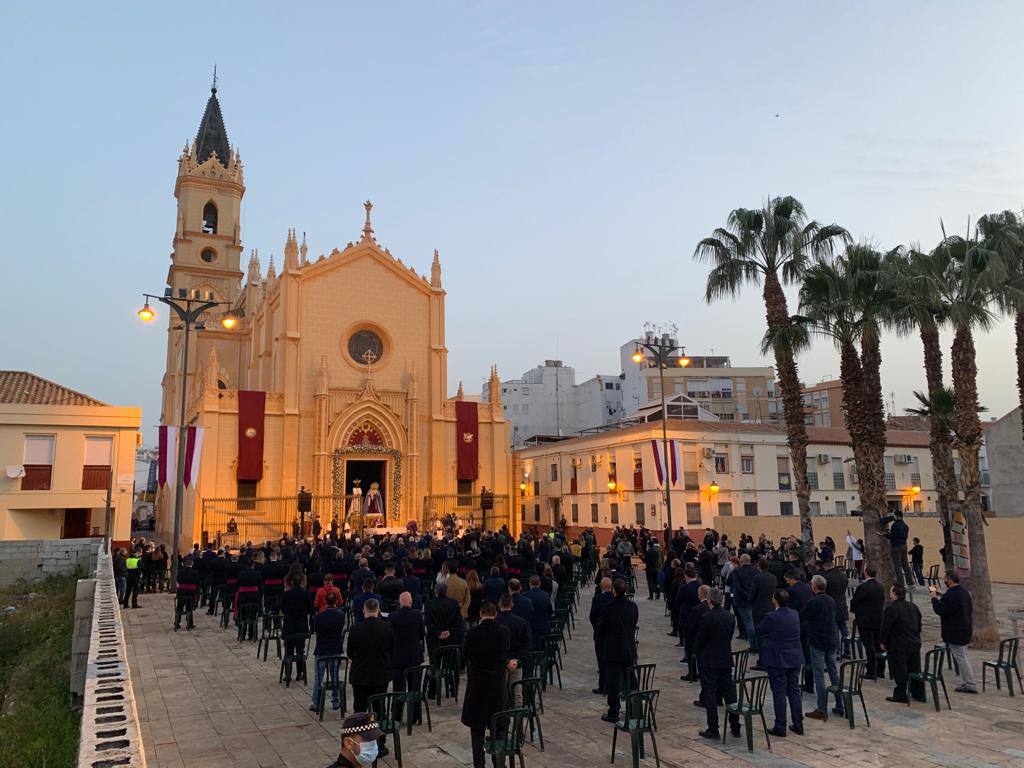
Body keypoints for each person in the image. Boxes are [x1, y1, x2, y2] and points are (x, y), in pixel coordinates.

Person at [461, 601, 512, 768]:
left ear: (481, 614)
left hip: (478, 687)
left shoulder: (472, 633)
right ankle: (499, 762)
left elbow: (465, 654)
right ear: (495, 614)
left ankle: (479, 764)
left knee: (477, 731)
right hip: (497, 687)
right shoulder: (504, 632)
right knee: (499, 728)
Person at [347, 598, 395, 759]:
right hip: (380, 675)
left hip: (360, 675)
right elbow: (391, 649)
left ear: (363, 610)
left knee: (359, 711)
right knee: (379, 710)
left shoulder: (355, 629)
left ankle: (357, 745)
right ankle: (380, 745)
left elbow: (350, 653)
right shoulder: (387, 627)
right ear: (378, 610)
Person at [693, 587, 740, 740]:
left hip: (710, 659)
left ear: (709, 600)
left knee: (711, 694)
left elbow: (700, 640)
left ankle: (713, 728)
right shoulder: (730, 617)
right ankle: (735, 726)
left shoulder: (707, 617)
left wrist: (699, 651)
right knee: (729, 693)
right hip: (725, 658)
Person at [756, 589, 804, 736]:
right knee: (794, 691)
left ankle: (780, 725)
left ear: (775, 601)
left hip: (778, 659)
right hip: (794, 658)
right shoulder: (794, 614)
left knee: (779, 693)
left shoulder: (772, 617)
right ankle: (798, 723)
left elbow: (759, 630)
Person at [801, 574, 844, 721]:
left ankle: (821, 708)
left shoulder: (814, 602)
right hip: (831, 641)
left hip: (818, 642)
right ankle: (840, 705)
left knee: (819, 676)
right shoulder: (830, 600)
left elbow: (802, 616)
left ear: (813, 587)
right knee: (833, 674)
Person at [597, 579, 638, 724]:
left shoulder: (608, 607)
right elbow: (634, 623)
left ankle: (613, 711)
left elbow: (601, 628)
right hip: (628, 648)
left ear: (614, 591)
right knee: (631, 680)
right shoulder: (633, 607)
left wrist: (601, 642)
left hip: (613, 649)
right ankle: (634, 709)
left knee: (613, 682)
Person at [930, 569, 976, 693]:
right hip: (966, 629)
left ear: (949, 579)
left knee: (961, 658)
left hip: (955, 632)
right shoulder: (964, 593)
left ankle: (970, 684)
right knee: (963, 655)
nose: (944, 580)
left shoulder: (951, 595)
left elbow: (941, 610)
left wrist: (934, 599)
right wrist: (941, 596)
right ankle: (969, 682)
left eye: (945, 578)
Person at [881, 582, 923, 703]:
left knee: (900, 669)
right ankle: (917, 692)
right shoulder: (913, 607)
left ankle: (900, 693)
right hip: (914, 642)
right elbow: (919, 623)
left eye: (891, 591)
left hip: (899, 644)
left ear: (894, 593)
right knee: (914, 668)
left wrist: (883, 641)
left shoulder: (892, 608)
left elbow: (886, 627)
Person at [389, 591, 425, 724]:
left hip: (397, 657)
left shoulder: (392, 616)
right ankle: (415, 716)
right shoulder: (417, 615)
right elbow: (422, 634)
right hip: (414, 656)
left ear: (400, 602)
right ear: (410, 602)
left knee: (398, 689)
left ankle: (397, 716)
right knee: (414, 689)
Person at [310, 591, 346, 713]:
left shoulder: (319, 617)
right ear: (336, 602)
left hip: (322, 649)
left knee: (318, 677)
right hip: (335, 648)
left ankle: (316, 702)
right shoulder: (341, 616)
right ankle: (336, 701)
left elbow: (316, 630)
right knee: (335, 676)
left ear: (325, 602)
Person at [850, 564, 885, 679]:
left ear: (866, 573)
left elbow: (855, 602)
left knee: (869, 646)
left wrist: (854, 609)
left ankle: (871, 670)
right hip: (877, 619)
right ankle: (880, 669)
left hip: (865, 620)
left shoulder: (863, 587)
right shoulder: (880, 586)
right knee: (877, 644)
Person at [497, 594, 531, 705]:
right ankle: (518, 716)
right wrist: (517, 660)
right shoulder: (521, 622)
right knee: (517, 692)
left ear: (499, 604)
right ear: (512, 605)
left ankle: (502, 714)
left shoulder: (496, 622)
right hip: (516, 660)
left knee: (501, 692)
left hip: (501, 661)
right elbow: (526, 643)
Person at [281, 566, 309, 684]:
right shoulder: (306, 594)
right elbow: (309, 608)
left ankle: (288, 674)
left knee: (289, 650)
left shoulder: (287, 594)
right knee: (300, 650)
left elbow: (282, 608)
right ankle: (300, 673)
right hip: (301, 624)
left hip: (289, 624)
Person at [820, 552, 850, 657]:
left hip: (832, 606)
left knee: (834, 631)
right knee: (845, 631)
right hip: (842, 604)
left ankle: (836, 652)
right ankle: (847, 651)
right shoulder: (843, 576)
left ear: (825, 567)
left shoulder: (827, 578)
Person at [749, 558, 777, 661]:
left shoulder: (757, 577)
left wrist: (750, 603)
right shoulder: (773, 577)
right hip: (770, 607)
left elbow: (753, 594)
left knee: (760, 635)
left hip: (758, 609)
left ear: (759, 566)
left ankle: (762, 659)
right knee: (769, 634)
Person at [589, 577, 614, 694]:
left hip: (600, 634)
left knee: (601, 660)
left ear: (601, 586)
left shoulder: (597, 599)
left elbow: (592, 616)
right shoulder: (614, 599)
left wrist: (596, 627)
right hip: (612, 635)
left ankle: (603, 685)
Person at [424, 582, 463, 655]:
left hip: (435, 640)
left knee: (435, 665)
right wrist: (449, 631)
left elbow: (428, 622)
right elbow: (458, 621)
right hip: (451, 639)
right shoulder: (454, 603)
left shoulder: (429, 604)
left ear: (436, 592)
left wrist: (439, 633)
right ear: (446, 591)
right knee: (450, 664)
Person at [731, 554, 757, 650]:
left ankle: (753, 645)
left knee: (748, 623)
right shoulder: (755, 571)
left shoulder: (736, 572)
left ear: (741, 561)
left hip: (742, 600)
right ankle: (756, 643)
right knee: (753, 622)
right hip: (754, 600)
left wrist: (747, 596)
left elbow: (737, 587)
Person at [884, 512, 914, 587]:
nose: (894, 518)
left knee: (897, 565)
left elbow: (893, 537)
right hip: (904, 546)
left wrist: (886, 535)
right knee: (905, 565)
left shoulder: (895, 525)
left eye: (894, 516)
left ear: (897, 516)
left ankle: (901, 583)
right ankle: (910, 582)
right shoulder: (905, 526)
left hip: (896, 547)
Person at [174, 556, 200, 630]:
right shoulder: (195, 572)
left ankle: (177, 622)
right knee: (189, 607)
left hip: (181, 591)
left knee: (180, 607)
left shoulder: (180, 571)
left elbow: (178, 579)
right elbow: (197, 582)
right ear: (192, 564)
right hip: (191, 592)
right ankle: (190, 623)